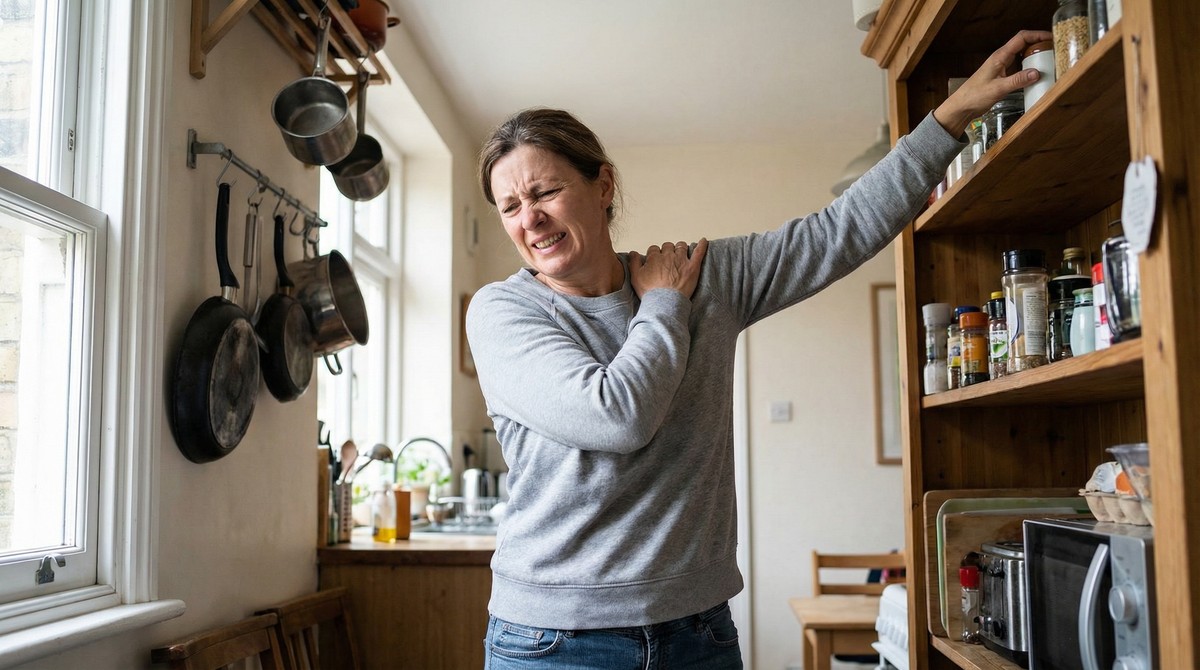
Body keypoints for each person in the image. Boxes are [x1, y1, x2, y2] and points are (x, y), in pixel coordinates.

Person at [466, 30, 1053, 670]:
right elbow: (617, 416)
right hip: (553, 642)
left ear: (603, 185)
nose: (530, 219)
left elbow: (841, 230)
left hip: (699, 632)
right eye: (510, 206)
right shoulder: (505, 312)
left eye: (545, 192)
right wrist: (663, 304)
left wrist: (950, 119)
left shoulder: (708, 277)